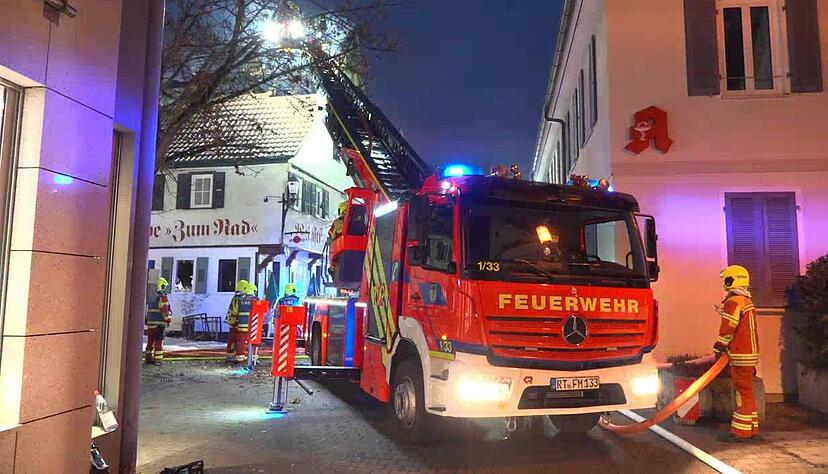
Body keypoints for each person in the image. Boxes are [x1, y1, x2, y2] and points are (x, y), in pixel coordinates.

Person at [713, 264, 760, 441]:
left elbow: (728, 327)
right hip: (750, 353)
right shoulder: (746, 301)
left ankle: (740, 432)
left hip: (740, 353)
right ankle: (752, 428)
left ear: (731, 281)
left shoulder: (734, 302)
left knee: (741, 393)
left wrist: (719, 345)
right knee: (747, 392)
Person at [145, 277, 172, 365]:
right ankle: (158, 360)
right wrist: (168, 320)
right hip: (159, 324)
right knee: (159, 342)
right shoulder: (163, 297)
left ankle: (148, 358)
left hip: (150, 323)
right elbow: (164, 310)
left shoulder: (151, 297)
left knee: (150, 341)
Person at [232, 283, 257, 363]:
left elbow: (235, 311)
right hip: (252, 326)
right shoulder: (256, 300)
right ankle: (252, 357)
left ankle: (240, 357)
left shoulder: (240, 300)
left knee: (241, 341)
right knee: (253, 341)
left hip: (241, 324)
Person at [225, 280, 248, 361]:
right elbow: (235, 311)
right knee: (238, 339)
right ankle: (237, 355)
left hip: (233, 321)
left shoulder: (236, 297)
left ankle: (230, 353)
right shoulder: (240, 298)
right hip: (236, 322)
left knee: (232, 338)